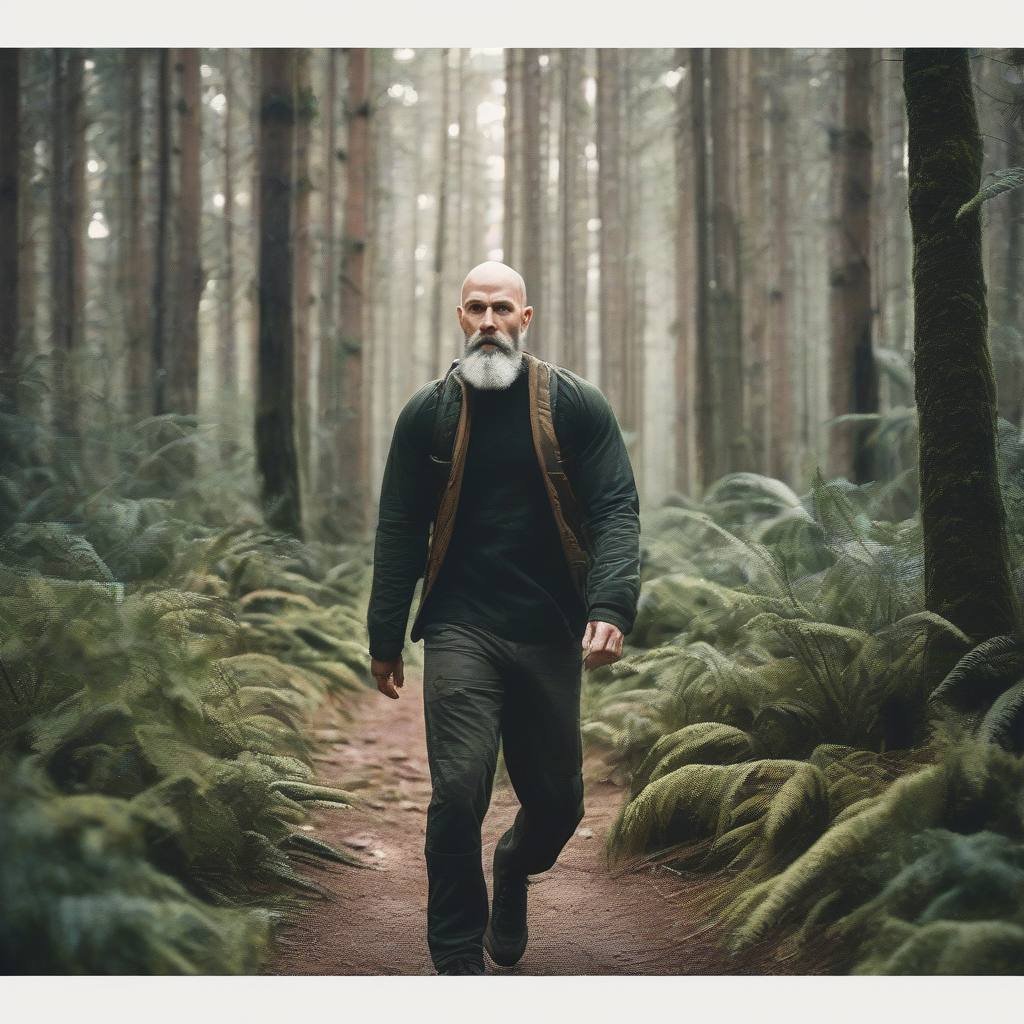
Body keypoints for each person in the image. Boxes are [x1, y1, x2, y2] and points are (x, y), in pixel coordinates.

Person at [367, 261, 640, 975]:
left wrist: (611, 605)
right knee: (459, 792)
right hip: (461, 628)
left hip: (551, 630)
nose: (488, 322)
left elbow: (616, 507)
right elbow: (399, 525)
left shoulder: (575, 406)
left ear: (526, 318)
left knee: (557, 807)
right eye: (475, 308)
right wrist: (385, 635)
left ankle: (513, 870)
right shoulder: (429, 412)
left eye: (501, 309)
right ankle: (456, 956)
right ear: (460, 318)